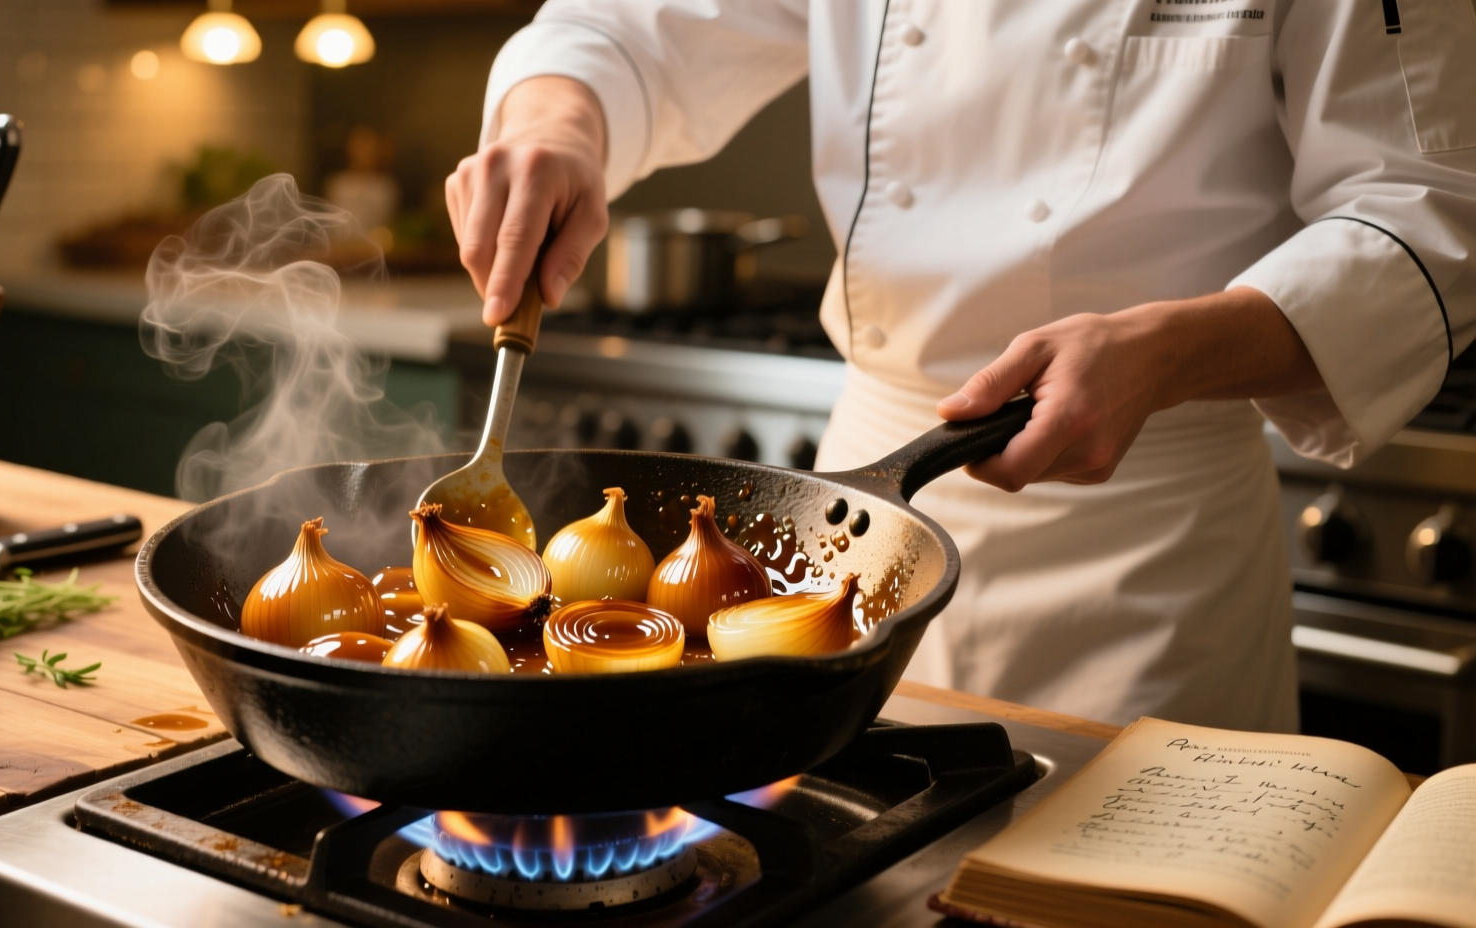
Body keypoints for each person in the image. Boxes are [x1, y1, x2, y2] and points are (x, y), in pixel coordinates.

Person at [444, 1, 1476, 731]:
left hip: (1147, 551)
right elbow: (628, 30)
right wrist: (557, 126)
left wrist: (1164, 350)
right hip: (855, 534)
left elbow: (1425, 213)